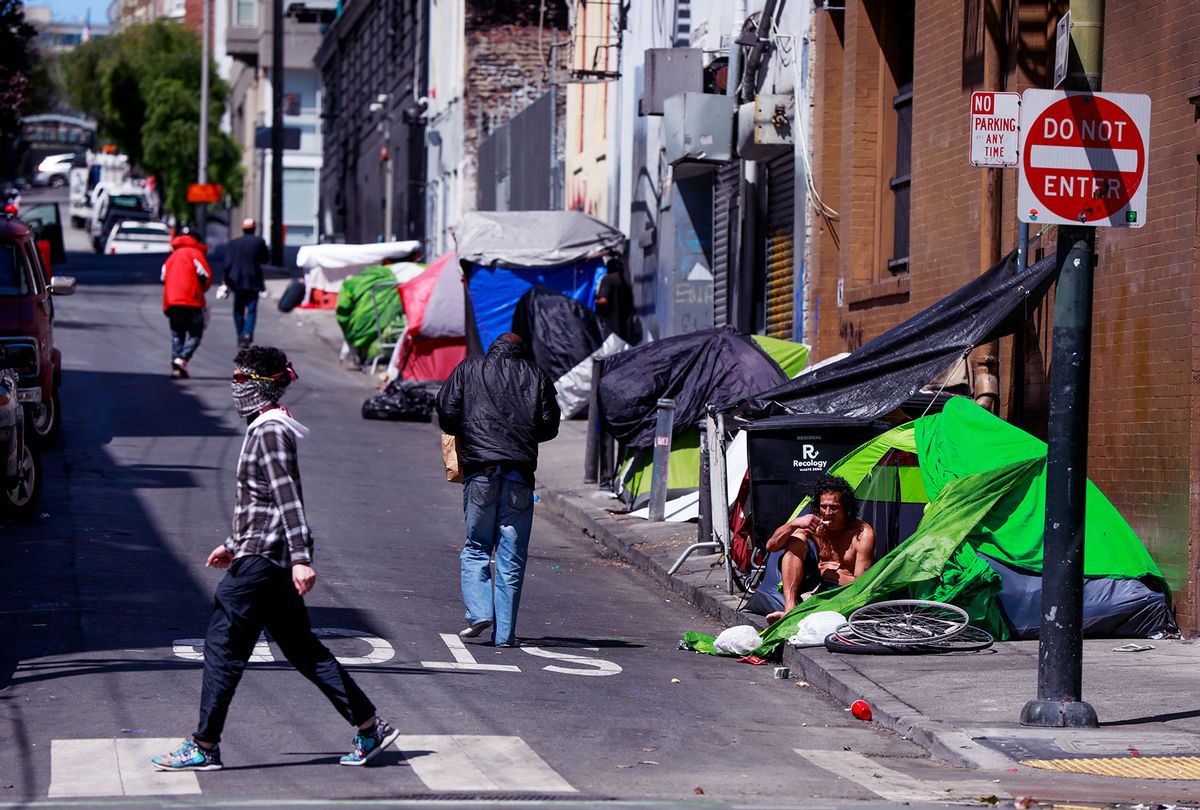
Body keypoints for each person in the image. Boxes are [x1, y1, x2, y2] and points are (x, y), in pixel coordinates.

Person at [151, 346, 400, 771]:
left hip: (264, 562)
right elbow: (260, 502)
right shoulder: (267, 427)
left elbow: (288, 499)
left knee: (222, 648)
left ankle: (205, 746)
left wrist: (302, 557)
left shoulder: (270, 432)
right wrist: (233, 542)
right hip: (264, 556)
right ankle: (368, 725)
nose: (235, 388)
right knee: (303, 649)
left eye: (242, 380)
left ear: (262, 387)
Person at [434, 333, 561, 647]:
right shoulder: (536, 375)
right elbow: (549, 425)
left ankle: (479, 612)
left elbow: (447, 413)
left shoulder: (470, 368)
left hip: (480, 471)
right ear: (521, 352)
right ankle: (505, 634)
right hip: (518, 474)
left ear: (493, 349)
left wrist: (472, 429)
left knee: (477, 545)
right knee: (511, 556)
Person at [763, 474, 875, 624]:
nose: (827, 512)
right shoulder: (816, 527)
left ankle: (802, 614)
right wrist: (794, 523)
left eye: (834, 508)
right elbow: (772, 546)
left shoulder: (862, 533)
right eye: (824, 506)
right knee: (795, 541)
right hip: (817, 587)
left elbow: (861, 585)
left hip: (843, 592)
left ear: (845, 508)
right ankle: (790, 608)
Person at [161, 227, 212, 378]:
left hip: (172, 302)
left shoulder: (172, 256)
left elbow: (163, 277)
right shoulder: (196, 254)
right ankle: (182, 358)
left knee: (177, 333)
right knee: (196, 333)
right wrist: (198, 289)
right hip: (192, 301)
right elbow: (206, 277)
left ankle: (176, 366)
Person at [218, 218, 269, 348]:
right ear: (254, 228)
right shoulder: (259, 242)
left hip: (237, 281)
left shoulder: (233, 243)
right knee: (251, 309)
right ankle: (247, 333)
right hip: (253, 280)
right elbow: (265, 259)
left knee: (238, 310)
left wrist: (225, 279)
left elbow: (226, 264)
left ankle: (241, 335)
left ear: (243, 229)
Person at [594, 256, 634, 343]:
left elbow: (604, 300)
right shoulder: (624, 280)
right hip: (623, 324)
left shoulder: (608, 279)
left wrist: (591, 301)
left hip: (610, 325)